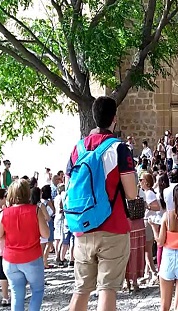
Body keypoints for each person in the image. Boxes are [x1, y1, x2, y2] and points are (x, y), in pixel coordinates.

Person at [67, 96, 138, 311]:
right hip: (112, 227)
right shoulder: (119, 148)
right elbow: (131, 193)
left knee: (81, 290)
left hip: (83, 226)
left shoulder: (78, 148)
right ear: (114, 119)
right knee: (107, 290)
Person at [0, 179, 49, 311]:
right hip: (32, 258)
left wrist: (11, 236)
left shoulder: (5, 213)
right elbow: (46, 234)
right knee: (37, 290)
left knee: (17, 294)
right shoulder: (35, 210)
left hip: (10, 260)